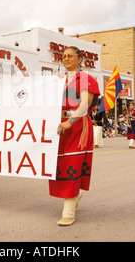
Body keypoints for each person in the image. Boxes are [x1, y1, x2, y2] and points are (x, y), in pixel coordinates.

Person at [51, 46, 100, 226]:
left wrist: (69, 122)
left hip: (77, 126)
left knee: (71, 164)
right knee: (59, 166)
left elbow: (84, 105)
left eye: (70, 56)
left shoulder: (85, 78)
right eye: (63, 56)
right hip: (59, 127)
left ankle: (68, 212)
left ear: (80, 59)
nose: (66, 59)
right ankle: (75, 195)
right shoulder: (58, 79)